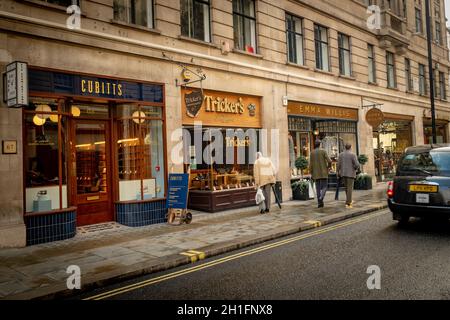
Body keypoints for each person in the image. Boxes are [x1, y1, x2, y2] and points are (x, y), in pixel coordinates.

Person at [309, 140, 332, 208]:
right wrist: (328, 167)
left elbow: (310, 164)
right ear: (320, 144)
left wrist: (311, 172)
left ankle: (320, 203)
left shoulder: (312, 152)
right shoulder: (323, 151)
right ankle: (321, 197)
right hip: (324, 172)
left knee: (318, 188)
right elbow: (329, 161)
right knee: (325, 186)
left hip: (315, 173)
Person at [337, 143, 360, 208]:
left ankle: (348, 199)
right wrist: (355, 168)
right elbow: (357, 164)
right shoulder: (353, 154)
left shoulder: (341, 154)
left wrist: (337, 171)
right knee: (350, 188)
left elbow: (338, 164)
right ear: (350, 147)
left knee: (346, 188)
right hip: (350, 173)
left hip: (343, 173)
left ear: (345, 147)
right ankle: (348, 202)